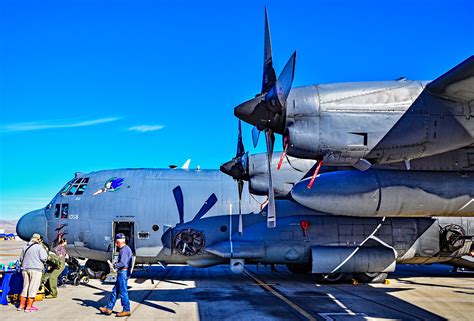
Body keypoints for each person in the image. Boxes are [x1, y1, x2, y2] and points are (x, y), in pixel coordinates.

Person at [99, 233, 133, 317]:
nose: (116, 244)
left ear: (119, 242)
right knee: (115, 291)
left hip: (123, 272)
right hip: (123, 272)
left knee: (123, 292)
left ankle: (126, 309)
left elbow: (123, 263)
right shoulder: (126, 249)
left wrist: (114, 265)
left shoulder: (124, 250)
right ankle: (109, 308)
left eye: (116, 242)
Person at [18, 233, 48, 312]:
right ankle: (28, 307)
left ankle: (21, 306)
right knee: (33, 288)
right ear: (38, 239)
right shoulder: (39, 247)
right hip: (36, 270)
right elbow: (44, 258)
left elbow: (21, 259)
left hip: (25, 269)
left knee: (25, 287)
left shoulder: (25, 247)